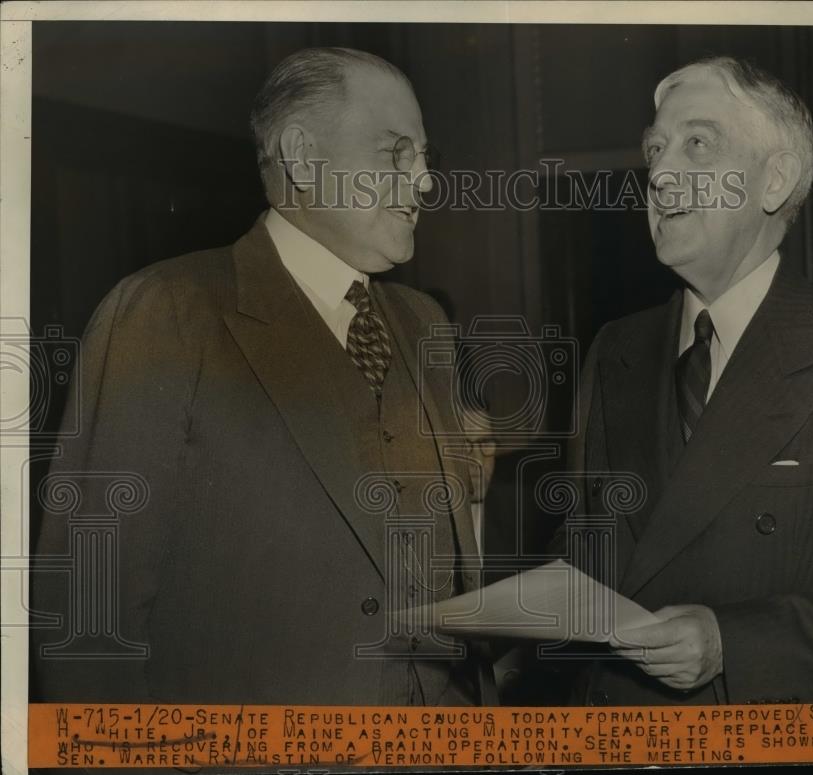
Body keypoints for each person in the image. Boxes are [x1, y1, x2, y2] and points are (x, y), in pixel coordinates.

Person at [33, 47, 491, 706]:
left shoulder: (425, 325)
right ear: (302, 158)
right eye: (397, 154)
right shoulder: (167, 311)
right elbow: (88, 622)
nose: (424, 183)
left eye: (426, 159)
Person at [554, 57, 813, 705]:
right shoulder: (615, 350)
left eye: (697, 145)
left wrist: (729, 643)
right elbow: (582, 571)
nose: (659, 175)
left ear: (775, 180)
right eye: (654, 150)